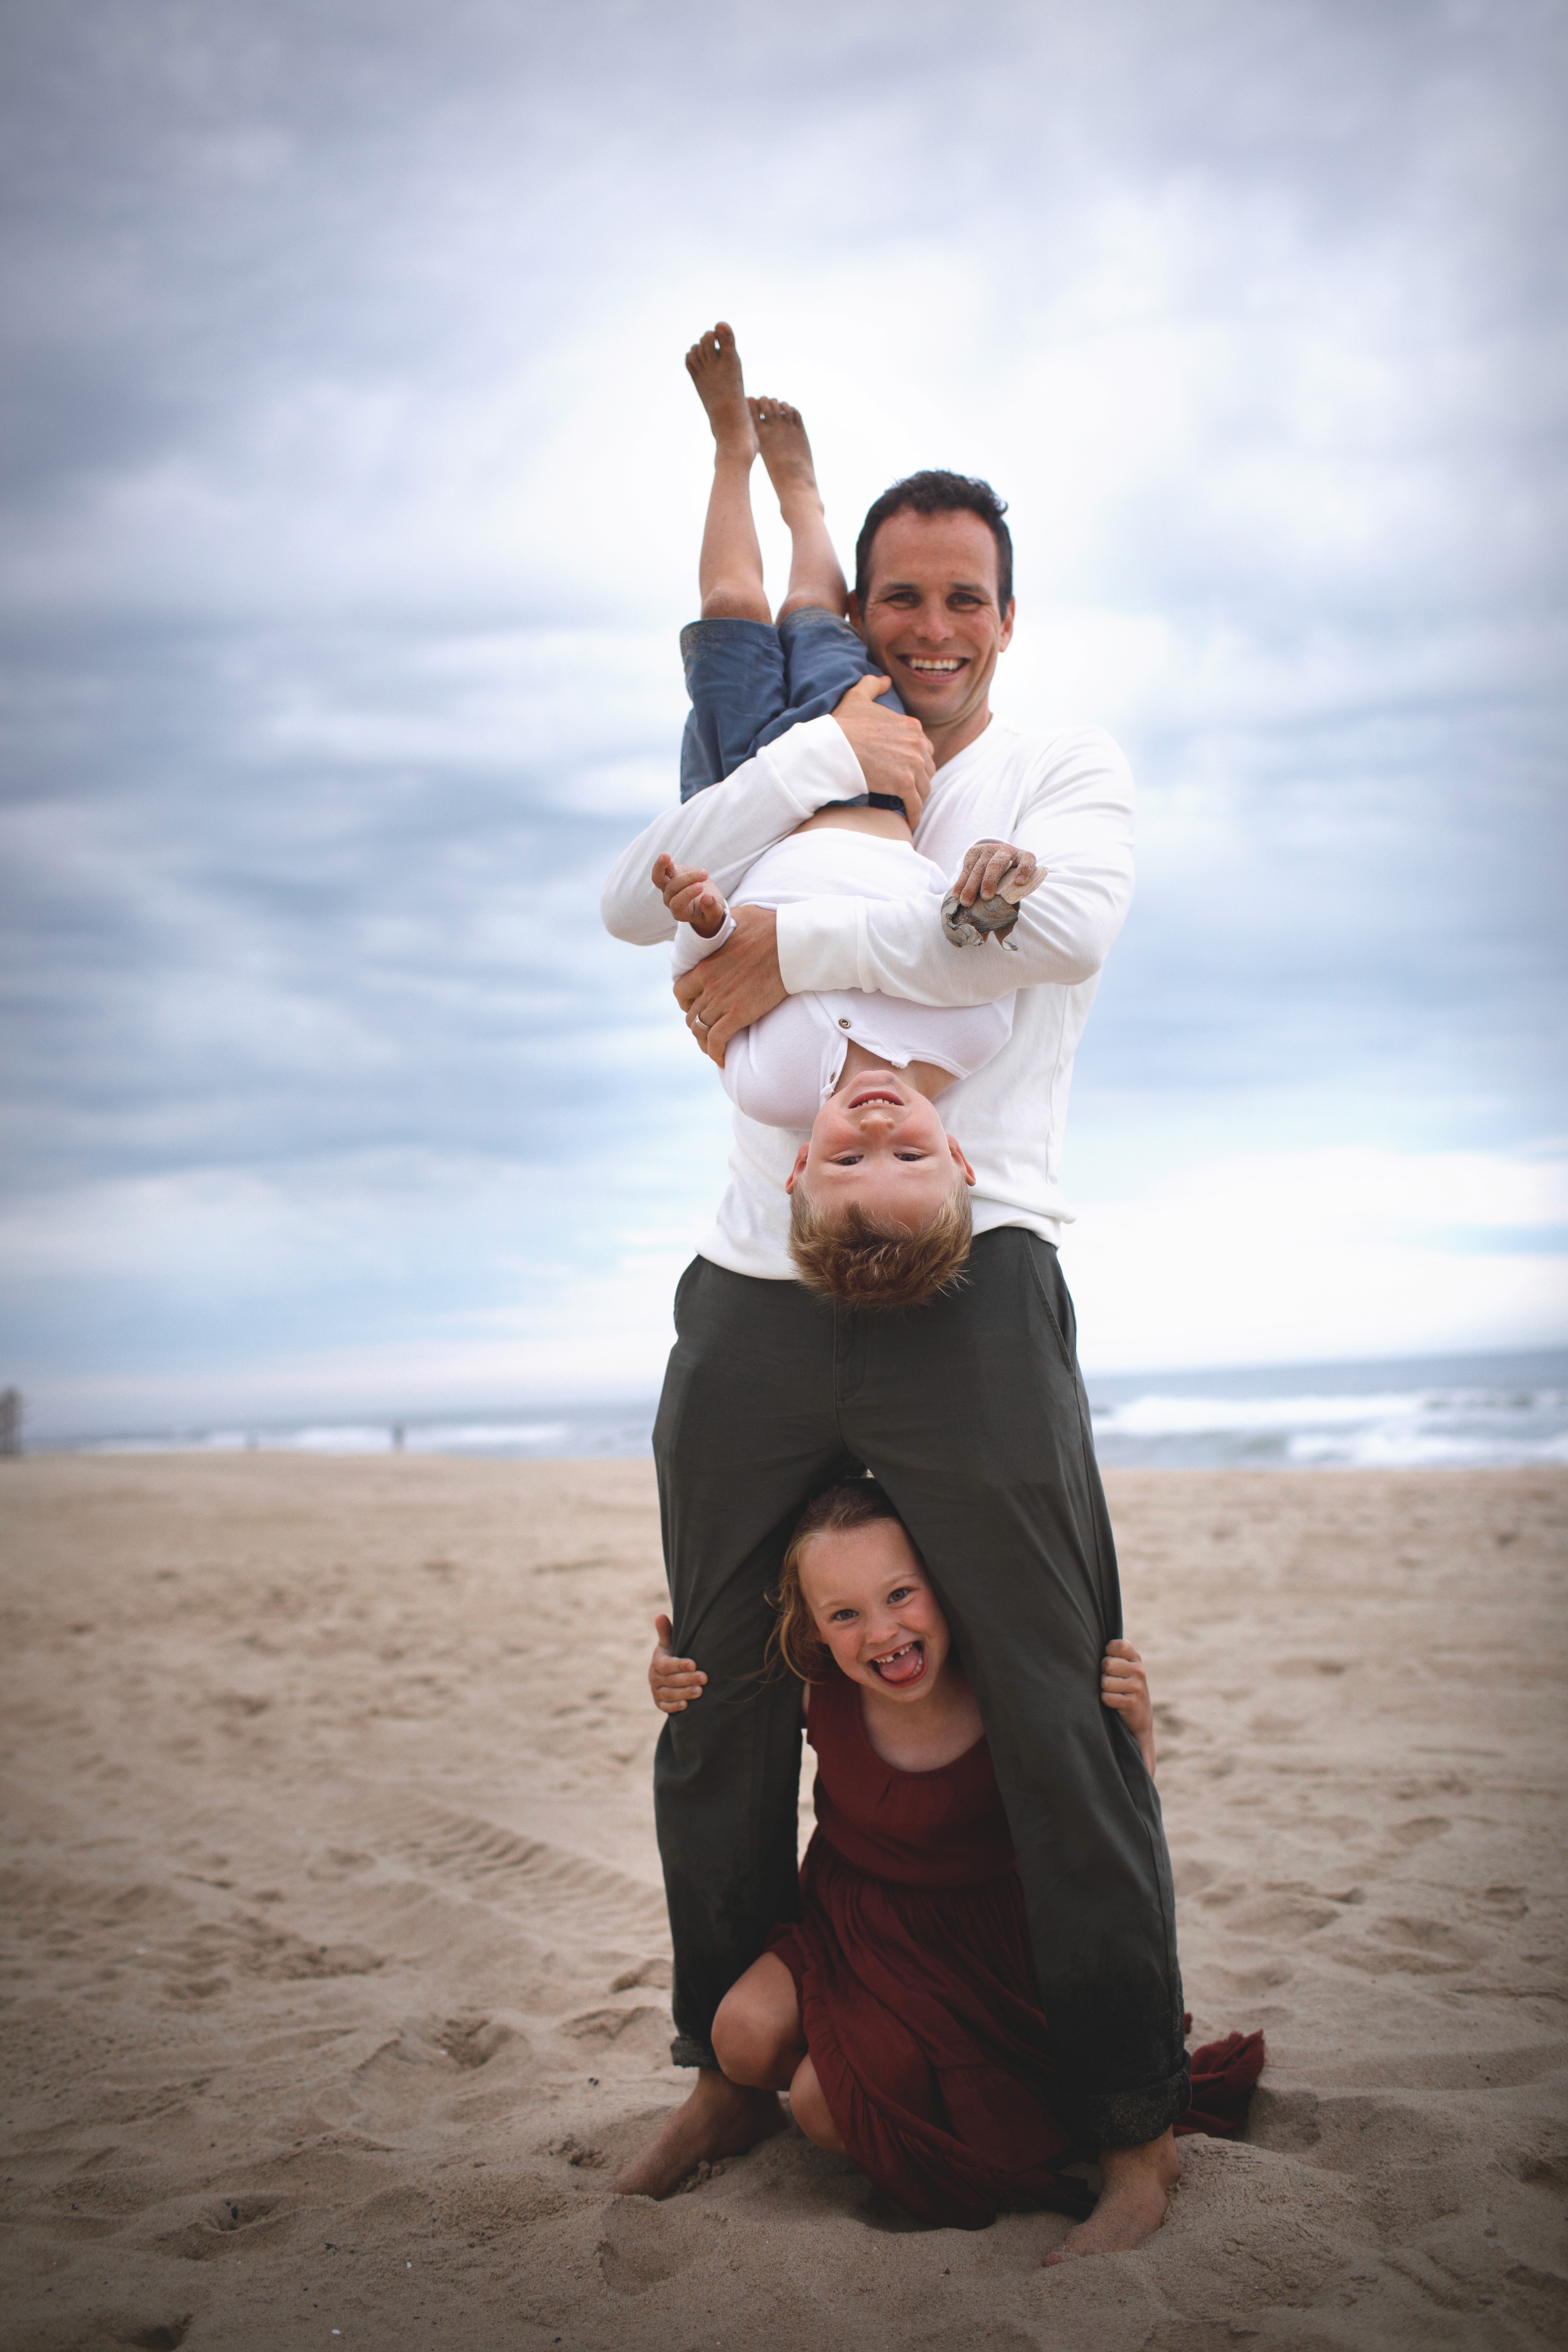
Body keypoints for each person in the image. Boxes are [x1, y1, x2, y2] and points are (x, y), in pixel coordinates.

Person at [600, 321, 1176, 2258]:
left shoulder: (1062, 762)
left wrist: (786, 932)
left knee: (1058, 1691)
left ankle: (1128, 2115)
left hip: (981, 1270)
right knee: (719, 1689)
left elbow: (1050, 932)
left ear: (1008, 610)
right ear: (863, 597)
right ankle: (728, 2048)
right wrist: (808, 800)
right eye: (900, 593)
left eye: (966, 598)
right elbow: (635, 903)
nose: (931, 627)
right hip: (752, 1287)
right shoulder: (830, 736)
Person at [646, 1480, 1263, 2250]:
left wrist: (1136, 1728)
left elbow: (1112, 1815)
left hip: (981, 1955)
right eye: (844, 1615)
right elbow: (720, 1694)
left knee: (821, 2110)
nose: (881, 1634)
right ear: (812, 1626)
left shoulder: (1002, 1688)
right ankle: (837, 2070)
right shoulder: (816, 1687)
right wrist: (670, 1673)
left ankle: (950, 2086)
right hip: (854, 1929)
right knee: (738, 2036)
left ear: (944, 1582)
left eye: (900, 1595)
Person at [654, 323, 1043, 1304]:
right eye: (909, 1162)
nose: (876, 1136)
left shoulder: (770, 1090)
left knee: (732, 602)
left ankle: (731, 455)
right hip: (868, 775)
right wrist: (993, 875)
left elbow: (705, 979)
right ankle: (806, 505)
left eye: (845, 1166)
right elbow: (970, 923)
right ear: (958, 1155)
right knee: (814, 615)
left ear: (797, 1167)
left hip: (748, 794)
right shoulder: (974, 1037)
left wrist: (704, 920)